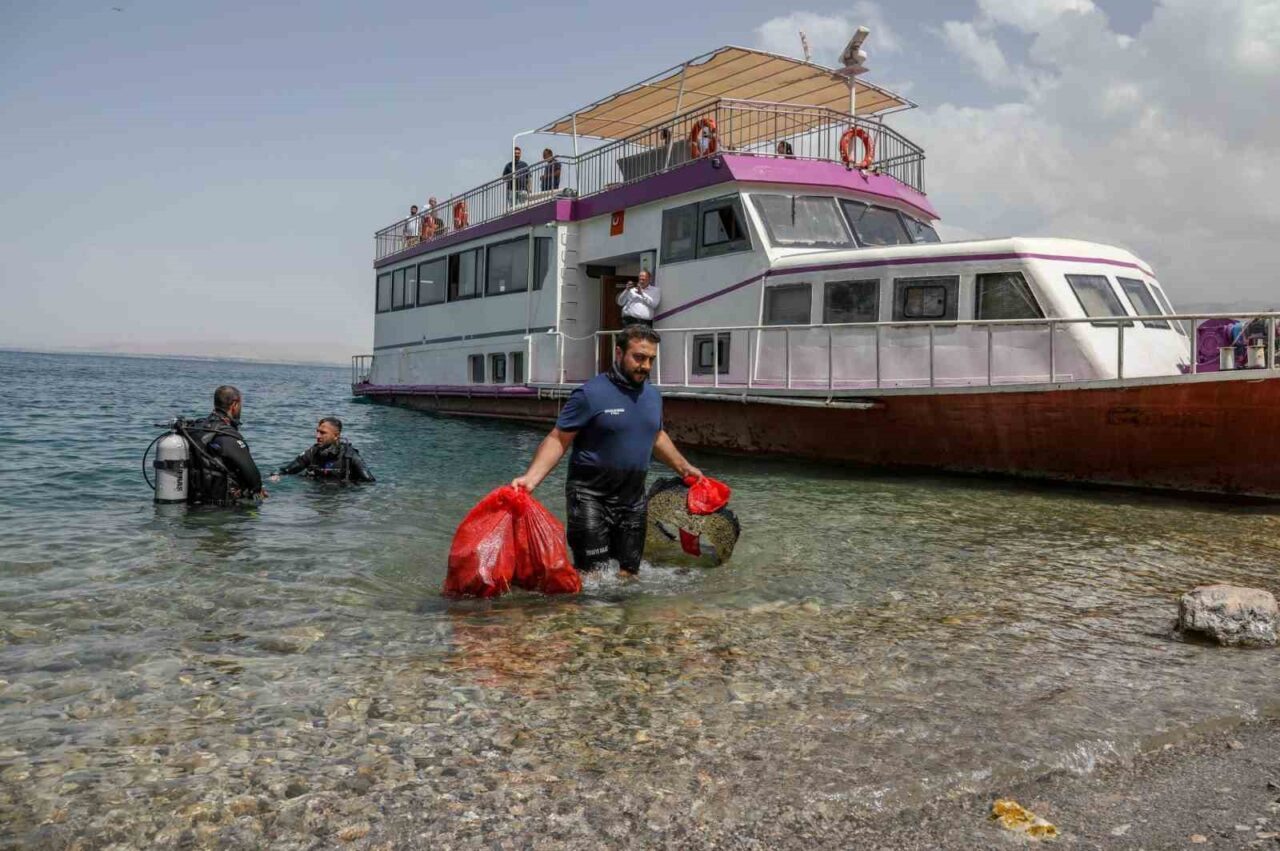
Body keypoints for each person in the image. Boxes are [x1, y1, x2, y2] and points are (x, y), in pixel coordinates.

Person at [511, 325, 702, 577]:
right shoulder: (590, 394)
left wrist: (684, 468)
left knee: (628, 575)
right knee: (594, 576)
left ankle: (623, 617)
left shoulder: (653, 396)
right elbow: (559, 438)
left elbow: (655, 435)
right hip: (590, 496)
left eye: (651, 359)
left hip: (632, 500)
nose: (645, 366)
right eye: (639, 357)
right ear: (619, 353)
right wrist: (531, 479)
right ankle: (584, 616)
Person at [196, 385, 267, 502]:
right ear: (234, 405)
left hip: (194, 499)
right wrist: (257, 490)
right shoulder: (227, 434)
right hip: (221, 508)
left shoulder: (198, 427)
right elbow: (253, 478)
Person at [270, 417, 376, 484]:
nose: (317, 436)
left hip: (341, 499)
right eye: (317, 432)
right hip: (315, 496)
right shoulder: (312, 452)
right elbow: (288, 470)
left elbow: (370, 482)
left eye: (322, 433)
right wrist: (276, 475)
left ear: (336, 436)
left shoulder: (349, 456)